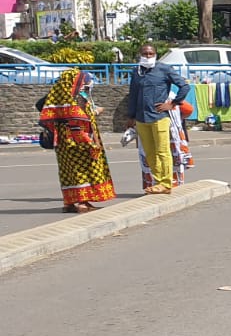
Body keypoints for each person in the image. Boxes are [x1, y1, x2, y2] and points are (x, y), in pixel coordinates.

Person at [38, 68, 114, 212]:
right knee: (83, 169)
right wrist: (91, 142)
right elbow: (78, 121)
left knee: (68, 171)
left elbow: (43, 109)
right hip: (77, 139)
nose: (87, 83)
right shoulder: (75, 99)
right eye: (84, 80)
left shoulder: (58, 97)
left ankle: (70, 202)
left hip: (63, 141)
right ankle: (82, 203)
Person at [127, 42, 191, 193]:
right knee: (149, 152)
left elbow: (184, 86)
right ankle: (158, 182)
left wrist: (173, 104)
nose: (148, 56)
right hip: (141, 118)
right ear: (140, 55)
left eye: (150, 54)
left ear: (155, 55)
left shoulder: (164, 69)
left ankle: (166, 183)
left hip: (159, 117)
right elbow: (133, 94)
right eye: (145, 54)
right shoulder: (137, 72)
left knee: (162, 151)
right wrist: (130, 116)